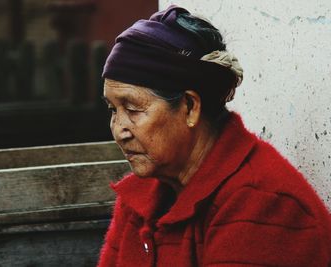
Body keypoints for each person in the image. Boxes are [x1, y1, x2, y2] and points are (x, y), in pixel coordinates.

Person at [98, 5, 331, 267]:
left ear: (189, 107)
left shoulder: (262, 203)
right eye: (112, 110)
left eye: (133, 109)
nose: (119, 130)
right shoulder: (140, 197)